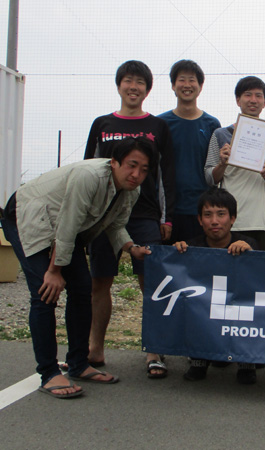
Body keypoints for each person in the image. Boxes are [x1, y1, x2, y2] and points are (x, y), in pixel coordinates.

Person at [1, 138, 154, 399]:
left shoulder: (131, 190)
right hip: (27, 214)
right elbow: (68, 225)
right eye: (132, 165)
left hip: (62, 228)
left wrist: (131, 248)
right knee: (44, 293)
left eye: (144, 169)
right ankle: (48, 372)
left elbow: (115, 225)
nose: (136, 174)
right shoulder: (89, 176)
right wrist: (54, 271)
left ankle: (79, 363)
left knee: (83, 290)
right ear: (114, 162)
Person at [84, 60, 175, 378]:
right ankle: (95, 349)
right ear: (119, 84)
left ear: (148, 89)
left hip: (145, 215)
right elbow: (90, 171)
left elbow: (165, 175)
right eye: (128, 81)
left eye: (140, 82)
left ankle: (154, 351)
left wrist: (166, 218)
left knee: (151, 284)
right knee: (100, 282)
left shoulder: (157, 126)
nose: (133, 87)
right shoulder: (102, 124)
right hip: (103, 216)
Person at [173, 187, 259, 384]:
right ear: (199, 219)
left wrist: (251, 254)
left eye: (221, 214)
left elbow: (262, 281)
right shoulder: (191, 248)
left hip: (237, 310)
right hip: (206, 311)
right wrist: (173, 256)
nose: (214, 221)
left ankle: (246, 363)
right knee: (195, 307)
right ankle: (199, 360)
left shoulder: (249, 244)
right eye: (208, 215)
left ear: (232, 218)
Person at [204, 76, 265, 251]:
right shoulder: (221, 134)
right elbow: (210, 178)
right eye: (248, 95)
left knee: (263, 266)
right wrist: (222, 164)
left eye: (258, 96)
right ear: (238, 100)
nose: (253, 100)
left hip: (264, 220)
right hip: (231, 219)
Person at [158, 60, 221, 242]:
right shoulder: (161, 124)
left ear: (200, 87)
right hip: (168, 211)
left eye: (192, 80)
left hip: (202, 210)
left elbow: (215, 168)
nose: (187, 85)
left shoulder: (212, 124)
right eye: (181, 80)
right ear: (173, 85)